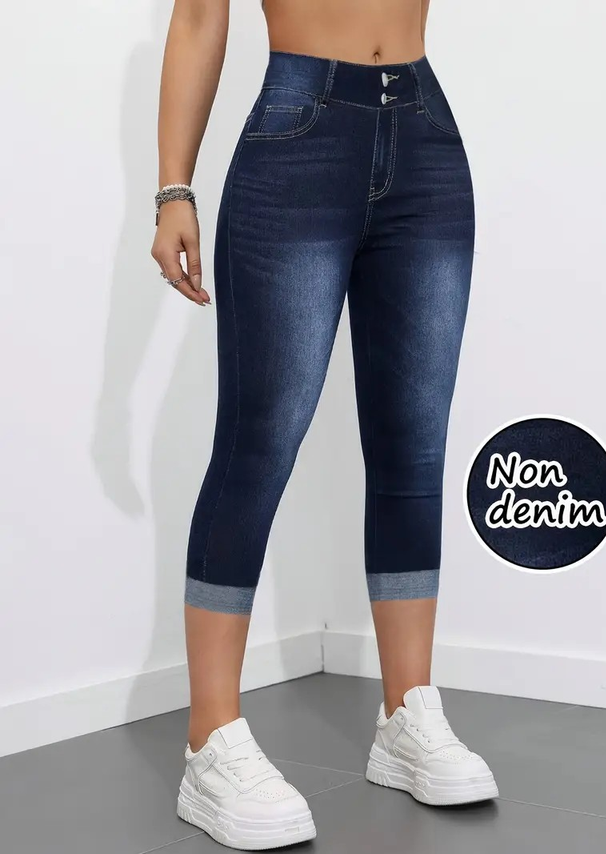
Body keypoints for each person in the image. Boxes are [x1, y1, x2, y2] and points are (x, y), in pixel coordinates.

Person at [151, 0, 498, 848]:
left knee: (414, 444)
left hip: (424, 129)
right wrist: (174, 189)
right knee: (259, 441)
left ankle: (406, 716)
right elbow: (197, 17)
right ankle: (209, 740)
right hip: (298, 130)